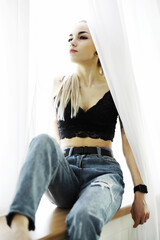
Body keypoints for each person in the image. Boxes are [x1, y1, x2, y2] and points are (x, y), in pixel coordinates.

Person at [5, 20, 150, 240]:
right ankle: (18, 226)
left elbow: (127, 143)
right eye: (70, 37)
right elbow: (53, 140)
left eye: (82, 37)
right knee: (42, 140)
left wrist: (140, 191)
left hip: (103, 173)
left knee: (83, 216)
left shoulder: (116, 88)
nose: (73, 41)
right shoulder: (60, 83)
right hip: (66, 173)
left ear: (98, 49)